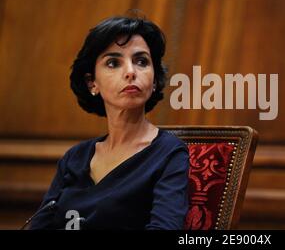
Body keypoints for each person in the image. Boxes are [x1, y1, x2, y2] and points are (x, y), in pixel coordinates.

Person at [28, 13, 189, 230]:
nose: (131, 72)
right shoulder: (74, 158)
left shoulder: (169, 154)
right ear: (92, 83)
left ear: (154, 80)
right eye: (113, 63)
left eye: (141, 61)